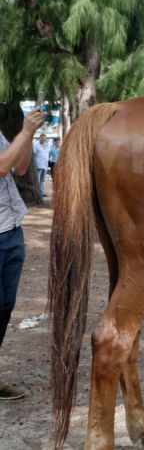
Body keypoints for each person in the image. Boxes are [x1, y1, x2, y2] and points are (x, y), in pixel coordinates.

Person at [0, 106, 45, 400]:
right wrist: (26, 131)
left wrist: (28, 136)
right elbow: (2, 167)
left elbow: (19, 168)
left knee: (5, 306)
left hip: (11, 228)